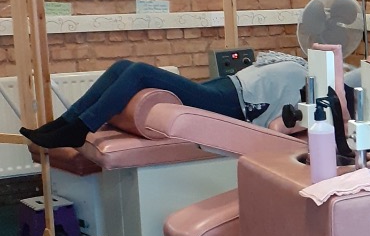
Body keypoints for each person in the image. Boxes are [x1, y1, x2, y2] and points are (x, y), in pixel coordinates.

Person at [20, 52, 310, 148]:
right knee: (123, 66)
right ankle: (66, 122)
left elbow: (278, 125)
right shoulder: (301, 65)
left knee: (140, 72)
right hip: (225, 87)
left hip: (232, 104)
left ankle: (80, 128)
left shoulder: (313, 86)